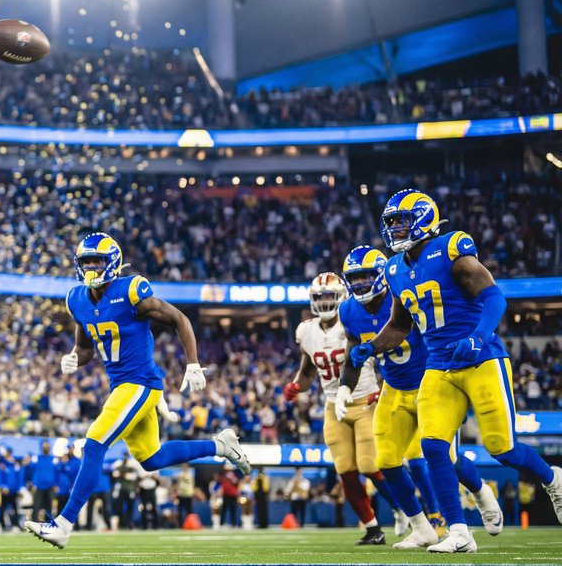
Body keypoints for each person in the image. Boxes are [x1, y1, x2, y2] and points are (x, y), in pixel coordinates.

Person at [350, 189, 562, 553]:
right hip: (439, 365)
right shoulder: (395, 268)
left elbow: (493, 297)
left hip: (482, 359)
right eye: (391, 223)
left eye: (401, 221)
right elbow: (400, 325)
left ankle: (553, 479)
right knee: (433, 446)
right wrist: (372, 346)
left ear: (423, 218)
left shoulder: (450, 249)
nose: (395, 229)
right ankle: (459, 532)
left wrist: (479, 336)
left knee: (503, 449)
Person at [24, 233, 250, 549]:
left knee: (94, 443)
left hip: (141, 383)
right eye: (86, 262)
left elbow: (179, 318)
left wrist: (193, 363)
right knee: (152, 458)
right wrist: (74, 357)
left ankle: (63, 524)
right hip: (122, 387)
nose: (90, 267)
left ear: (112, 262)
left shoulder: (130, 290)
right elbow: (85, 347)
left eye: (97, 261)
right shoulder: (76, 299)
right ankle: (220, 445)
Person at [337, 245, 501, 549]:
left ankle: (481, 492)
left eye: (365, 276)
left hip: (430, 381)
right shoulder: (348, 310)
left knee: (444, 459)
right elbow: (352, 356)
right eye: (354, 278)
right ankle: (422, 528)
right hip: (394, 388)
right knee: (385, 461)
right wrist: (344, 388)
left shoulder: (404, 295)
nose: (359, 283)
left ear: (381, 275)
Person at [282, 272, 389, 545]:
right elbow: (308, 371)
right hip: (333, 405)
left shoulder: (353, 319)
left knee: (370, 465)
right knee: (345, 471)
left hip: (365, 400)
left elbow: (386, 357)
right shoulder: (306, 330)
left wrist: (383, 389)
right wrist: (296, 385)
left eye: (329, 296)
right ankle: (373, 528)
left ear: (341, 296)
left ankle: (408, 513)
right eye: (319, 297)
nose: (324, 302)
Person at [27, 441, 58, 523]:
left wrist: (56, 484)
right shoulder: (36, 458)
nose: (46, 448)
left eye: (47, 446)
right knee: (36, 505)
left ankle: (48, 523)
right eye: (44, 446)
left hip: (50, 486)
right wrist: (30, 482)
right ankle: (34, 523)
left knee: (49, 506)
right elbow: (29, 470)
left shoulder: (53, 459)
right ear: (41, 447)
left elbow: (57, 473)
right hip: (38, 486)